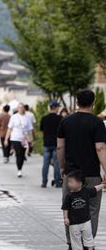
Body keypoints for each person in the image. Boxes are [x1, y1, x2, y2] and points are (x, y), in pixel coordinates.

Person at [57, 89, 106, 250]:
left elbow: (59, 147)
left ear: (77, 101)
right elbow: (100, 148)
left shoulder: (65, 122)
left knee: (70, 207)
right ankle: (88, 243)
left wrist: (62, 166)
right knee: (92, 209)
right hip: (92, 173)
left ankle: (72, 243)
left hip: (71, 174)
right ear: (93, 103)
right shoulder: (97, 123)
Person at [62, 170, 106, 250]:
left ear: (79, 184)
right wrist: (66, 218)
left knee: (89, 239)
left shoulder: (86, 192)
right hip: (74, 224)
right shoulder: (69, 196)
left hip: (86, 222)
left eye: (71, 182)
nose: (68, 184)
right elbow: (65, 208)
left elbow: (95, 189)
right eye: (68, 182)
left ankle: (90, 248)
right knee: (76, 242)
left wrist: (103, 185)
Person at [4, 103, 33, 178]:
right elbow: (9, 129)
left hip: (24, 139)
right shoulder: (13, 117)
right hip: (15, 138)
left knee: (22, 154)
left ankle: (20, 167)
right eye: (19, 107)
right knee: (19, 153)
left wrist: (31, 140)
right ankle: (19, 170)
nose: (20, 108)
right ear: (17, 109)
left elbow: (30, 130)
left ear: (24, 108)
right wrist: (6, 139)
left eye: (22, 107)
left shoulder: (27, 118)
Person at [40, 100, 62, 188]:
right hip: (56, 144)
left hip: (46, 143)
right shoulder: (60, 118)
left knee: (45, 164)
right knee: (56, 164)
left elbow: (42, 130)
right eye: (58, 108)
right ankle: (57, 182)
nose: (58, 109)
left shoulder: (44, 118)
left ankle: (44, 182)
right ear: (55, 108)